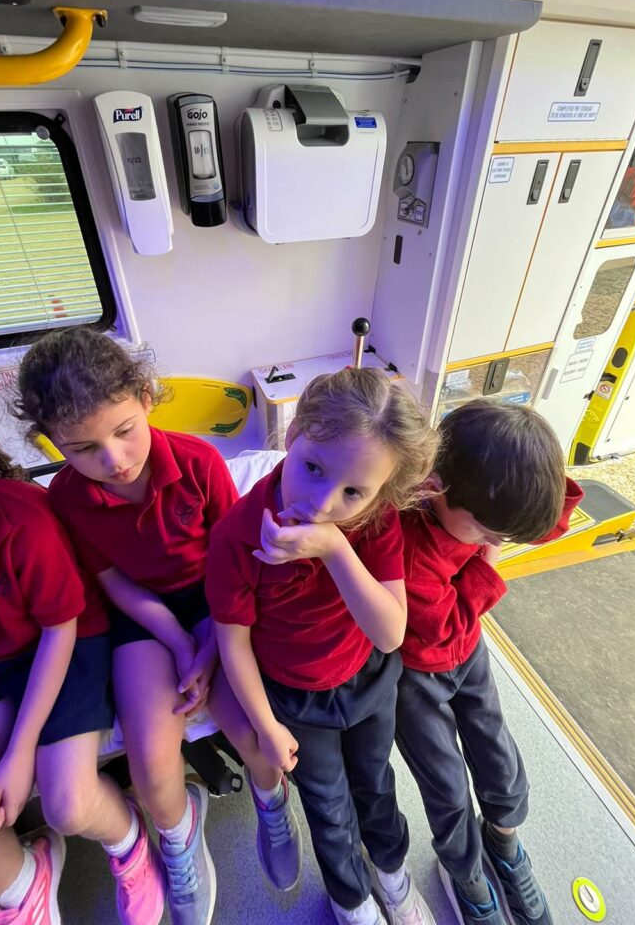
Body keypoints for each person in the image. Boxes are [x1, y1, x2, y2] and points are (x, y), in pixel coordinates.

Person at [12, 327, 302, 925]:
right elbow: (115, 581)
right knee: (148, 755)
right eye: (83, 448)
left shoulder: (197, 462)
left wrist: (212, 646)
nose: (113, 461)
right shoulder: (66, 496)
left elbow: (234, 559)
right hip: (142, 616)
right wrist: (179, 641)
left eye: (123, 432)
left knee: (249, 729)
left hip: (218, 600)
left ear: (146, 398)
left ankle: (273, 805)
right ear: (54, 443)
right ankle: (178, 840)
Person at [0, 396, 163, 925]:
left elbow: (59, 631)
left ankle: (131, 843)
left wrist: (20, 750)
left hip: (66, 647)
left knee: (67, 804)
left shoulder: (20, 514)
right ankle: (28, 881)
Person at [206, 367, 439, 925]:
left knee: (377, 784)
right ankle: (351, 899)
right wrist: (265, 726)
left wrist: (334, 547)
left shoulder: (375, 522)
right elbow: (232, 643)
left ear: (380, 492)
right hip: (296, 700)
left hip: (367, 680)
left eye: (352, 491)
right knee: (328, 807)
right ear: (291, 436)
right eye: (312, 468)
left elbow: (389, 632)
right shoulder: (238, 535)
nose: (321, 501)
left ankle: (392, 873)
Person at [395, 400, 583, 925]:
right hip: (416, 674)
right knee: (446, 783)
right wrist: (492, 556)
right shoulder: (412, 548)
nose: (495, 545)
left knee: (498, 755)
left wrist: (517, 507)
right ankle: (466, 874)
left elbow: (548, 513)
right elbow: (447, 623)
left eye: (504, 537)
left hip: (467, 651)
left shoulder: (480, 504)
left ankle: (503, 840)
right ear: (435, 488)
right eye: (488, 534)